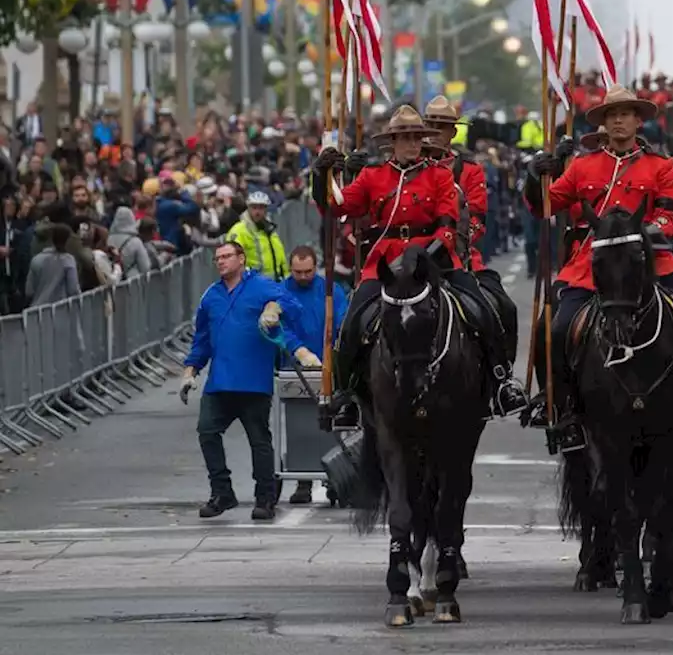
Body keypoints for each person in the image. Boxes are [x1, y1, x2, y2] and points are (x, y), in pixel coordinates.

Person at [524, 86, 673, 454]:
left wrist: (641, 236)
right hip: (591, 262)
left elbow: (670, 216)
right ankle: (558, 405)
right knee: (555, 325)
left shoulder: (660, 166)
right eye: (611, 115)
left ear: (638, 120)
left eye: (625, 114)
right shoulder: (583, 166)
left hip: (649, 260)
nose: (618, 120)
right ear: (604, 123)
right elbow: (547, 206)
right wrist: (535, 177)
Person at [312, 105, 511, 428]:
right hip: (384, 263)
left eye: (417, 138)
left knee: (480, 309)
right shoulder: (372, 176)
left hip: (434, 259)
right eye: (405, 138)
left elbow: (448, 225)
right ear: (392, 141)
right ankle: (347, 393)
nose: (412, 144)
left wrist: (425, 257)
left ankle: (500, 380)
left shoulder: (440, 174)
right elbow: (338, 207)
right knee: (353, 322)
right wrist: (322, 175)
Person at [181, 240, 315, 522]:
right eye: (218, 258)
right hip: (219, 382)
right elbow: (202, 339)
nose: (221, 262)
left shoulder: (260, 286)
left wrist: (274, 308)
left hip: (254, 381)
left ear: (241, 259)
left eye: (227, 256)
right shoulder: (211, 296)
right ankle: (222, 493)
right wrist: (190, 371)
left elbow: (293, 304)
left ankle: (265, 498)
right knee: (207, 432)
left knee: (259, 441)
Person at [419, 96, 525, 414]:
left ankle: (500, 379)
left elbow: (477, 218)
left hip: (458, 259)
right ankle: (351, 388)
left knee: (499, 308)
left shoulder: (470, 170)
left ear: (453, 133)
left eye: (443, 127)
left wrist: (458, 241)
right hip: (407, 261)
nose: (436, 132)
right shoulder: (407, 165)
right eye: (432, 126)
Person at [280, 244, 349, 504]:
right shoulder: (282, 292)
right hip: (297, 368)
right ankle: (302, 481)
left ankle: (334, 478)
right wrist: (299, 350)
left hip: (329, 366)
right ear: (290, 269)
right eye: (298, 272)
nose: (303, 276)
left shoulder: (330, 290)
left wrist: (333, 350)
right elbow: (280, 327)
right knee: (300, 426)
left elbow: (342, 319)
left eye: (308, 271)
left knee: (333, 424)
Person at [226, 191, 288, 280]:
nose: (257, 212)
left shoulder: (269, 230)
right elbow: (231, 260)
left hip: (273, 284)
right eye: (254, 208)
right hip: (252, 286)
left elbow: (281, 258)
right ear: (248, 208)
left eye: (261, 208)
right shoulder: (239, 231)